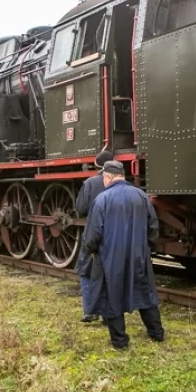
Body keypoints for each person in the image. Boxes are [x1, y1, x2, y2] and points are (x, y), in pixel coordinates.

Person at [79, 160, 164, 350]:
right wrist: (145, 247)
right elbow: (153, 227)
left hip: (110, 258)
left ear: (108, 177)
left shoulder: (102, 199)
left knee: (111, 297)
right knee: (145, 293)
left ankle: (120, 341)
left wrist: (92, 250)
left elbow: (93, 234)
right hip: (139, 255)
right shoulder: (141, 196)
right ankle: (157, 333)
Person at [74, 149, 113, 323]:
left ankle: (90, 310)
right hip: (114, 235)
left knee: (86, 269)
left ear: (97, 165)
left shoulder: (90, 183)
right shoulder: (124, 185)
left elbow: (80, 209)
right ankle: (108, 314)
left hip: (94, 233)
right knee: (110, 273)